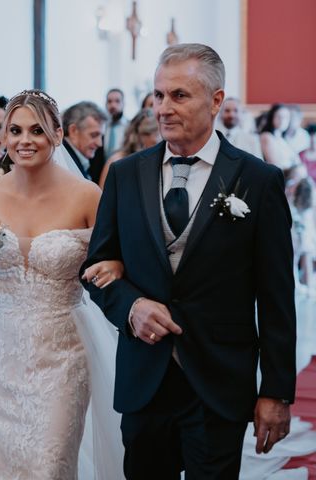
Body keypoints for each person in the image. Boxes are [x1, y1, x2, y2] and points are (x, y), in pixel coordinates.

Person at [82, 43, 296, 479]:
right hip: (145, 380)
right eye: (159, 95)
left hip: (219, 382)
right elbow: (97, 268)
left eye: (179, 95)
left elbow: (276, 296)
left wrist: (276, 391)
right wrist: (131, 308)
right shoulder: (126, 174)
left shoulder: (258, 180)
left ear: (216, 100)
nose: (163, 108)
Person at [0, 89, 125, 479]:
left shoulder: (88, 195)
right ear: (4, 137)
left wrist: (114, 269)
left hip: (63, 352)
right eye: (15, 130)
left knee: (50, 464)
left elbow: (117, 258)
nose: (25, 140)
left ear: (58, 134)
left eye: (37, 130)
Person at [99, 108, 160, 189]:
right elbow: (102, 196)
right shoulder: (117, 161)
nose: (155, 139)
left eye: (157, 133)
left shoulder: (161, 162)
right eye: (147, 133)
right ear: (134, 134)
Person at [61, 101, 107, 180]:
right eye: (94, 135)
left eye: (101, 136)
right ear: (73, 131)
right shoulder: (64, 165)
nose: (99, 144)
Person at [260, 103, 300, 171]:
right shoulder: (267, 136)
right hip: (281, 176)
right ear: (272, 117)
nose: (282, 120)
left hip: (292, 174)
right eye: (279, 116)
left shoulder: (284, 139)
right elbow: (275, 166)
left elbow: (297, 161)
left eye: (286, 117)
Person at [103, 87, 129, 158]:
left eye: (117, 101)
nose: (113, 105)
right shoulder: (101, 127)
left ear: (123, 104)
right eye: (109, 101)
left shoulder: (131, 126)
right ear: (105, 104)